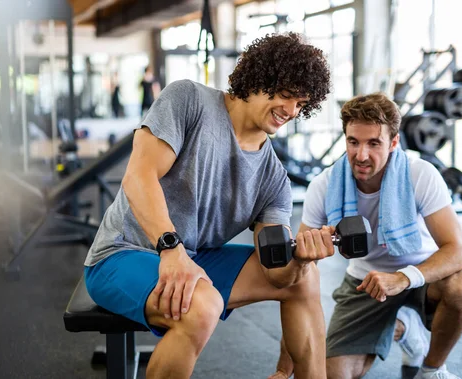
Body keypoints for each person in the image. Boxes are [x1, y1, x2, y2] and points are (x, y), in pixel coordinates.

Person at [83, 33, 332, 379]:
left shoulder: (274, 178)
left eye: (301, 104)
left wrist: (300, 262)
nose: (291, 111)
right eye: (286, 95)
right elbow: (139, 177)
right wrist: (172, 251)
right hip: (122, 252)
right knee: (203, 306)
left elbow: (277, 273)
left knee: (305, 281)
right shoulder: (188, 100)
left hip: (194, 258)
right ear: (260, 77)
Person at [269, 93, 462, 379]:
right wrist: (284, 367)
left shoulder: (421, 175)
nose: (361, 155)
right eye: (353, 142)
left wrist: (403, 278)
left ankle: (432, 369)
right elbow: (297, 279)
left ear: (393, 143)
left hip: (423, 277)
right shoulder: (324, 185)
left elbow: (457, 250)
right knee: (333, 375)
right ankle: (402, 327)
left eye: (373, 143)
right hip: (363, 282)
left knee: (460, 287)